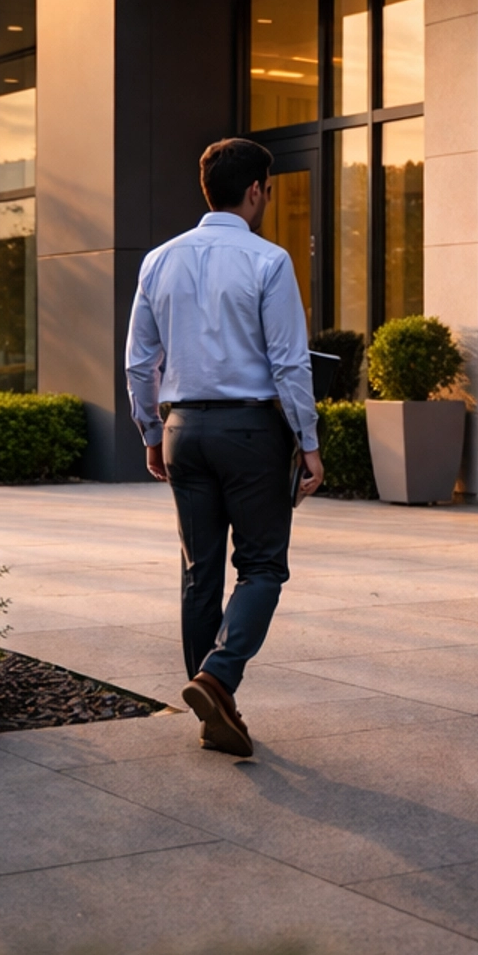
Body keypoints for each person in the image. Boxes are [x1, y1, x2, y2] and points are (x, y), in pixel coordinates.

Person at [125, 136, 323, 758]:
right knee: (263, 566)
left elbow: (138, 363)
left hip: (184, 428)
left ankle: (215, 710)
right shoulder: (269, 261)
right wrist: (310, 443)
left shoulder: (159, 260)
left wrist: (152, 433)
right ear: (257, 190)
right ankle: (218, 676)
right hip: (250, 431)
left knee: (199, 571)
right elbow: (290, 364)